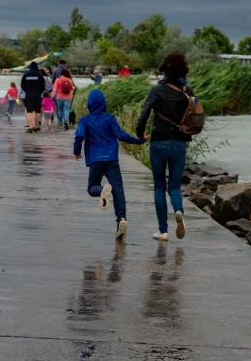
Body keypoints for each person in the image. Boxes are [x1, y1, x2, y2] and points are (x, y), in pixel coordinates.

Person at [74, 89, 146, 240]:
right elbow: (121, 135)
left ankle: (101, 191)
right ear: (103, 103)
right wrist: (139, 140)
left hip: (95, 160)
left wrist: (77, 151)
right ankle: (121, 219)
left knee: (92, 188)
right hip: (111, 159)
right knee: (118, 189)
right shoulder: (110, 118)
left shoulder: (85, 120)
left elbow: (80, 135)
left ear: (89, 104)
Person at [136, 52, 192, 242]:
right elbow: (195, 117)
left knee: (159, 187)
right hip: (179, 143)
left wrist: (139, 134)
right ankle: (178, 210)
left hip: (158, 142)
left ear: (165, 70)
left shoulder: (157, 90)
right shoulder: (187, 91)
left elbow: (143, 114)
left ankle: (163, 231)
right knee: (174, 187)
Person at [20, 61, 46, 133]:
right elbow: (43, 86)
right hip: (38, 95)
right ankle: (36, 126)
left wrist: (27, 91)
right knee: (37, 111)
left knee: (29, 111)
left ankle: (31, 127)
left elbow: (22, 86)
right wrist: (39, 92)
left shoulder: (25, 75)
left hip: (28, 95)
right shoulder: (39, 75)